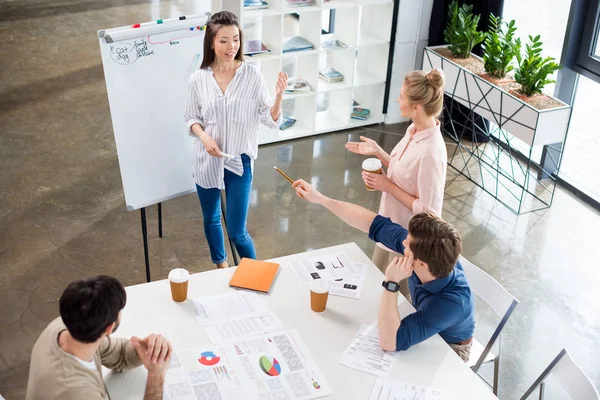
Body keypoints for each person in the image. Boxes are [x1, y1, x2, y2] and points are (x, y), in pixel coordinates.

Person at [292, 180, 475, 362]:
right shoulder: (428, 254)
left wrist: (392, 283)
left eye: (407, 245)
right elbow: (373, 223)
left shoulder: (450, 304)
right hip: (423, 316)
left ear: (421, 264)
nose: (403, 242)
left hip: (449, 348)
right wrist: (321, 199)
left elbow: (389, 342)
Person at [184, 11, 288, 269]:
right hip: (206, 161)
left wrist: (278, 97)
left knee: (237, 231)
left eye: (236, 40)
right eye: (224, 41)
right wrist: (204, 136)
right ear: (211, 42)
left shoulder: (251, 76)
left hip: (238, 162)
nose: (232, 47)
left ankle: (255, 272)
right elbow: (191, 117)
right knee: (210, 219)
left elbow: (269, 118)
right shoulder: (198, 79)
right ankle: (221, 267)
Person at [345, 69, 447, 298]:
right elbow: (404, 171)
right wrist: (378, 152)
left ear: (416, 106)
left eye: (402, 96)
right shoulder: (413, 130)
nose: (398, 100)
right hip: (388, 227)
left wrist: (387, 186)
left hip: (406, 241)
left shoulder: (432, 151)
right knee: (374, 290)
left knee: (395, 301)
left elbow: (429, 212)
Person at [26, 276, 172, 400]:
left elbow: (120, 354)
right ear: (109, 328)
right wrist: (156, 377)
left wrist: (143, 351)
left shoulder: (68, 326)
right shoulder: (76, 392)